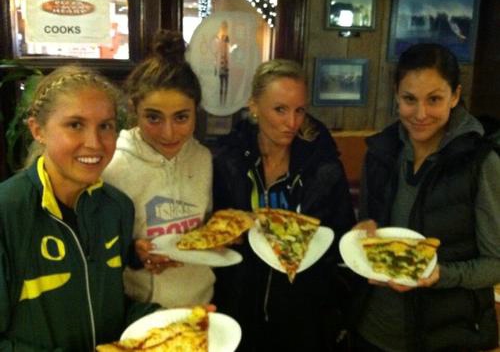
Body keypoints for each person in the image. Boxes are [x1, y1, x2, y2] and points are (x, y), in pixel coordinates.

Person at [351, 43, 500, 351]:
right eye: (409, 99)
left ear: (455, 96)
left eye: (434, 99)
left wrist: (441, 274)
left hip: (446, 336)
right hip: (373, 328)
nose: (420, 114)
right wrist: (363, 229)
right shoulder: (381, 151)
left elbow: (496, 263)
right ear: (396, 94)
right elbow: (370, 221)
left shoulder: (482, 162)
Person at [0, 65, 158, 351]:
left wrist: (167, 322)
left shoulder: (118, 208)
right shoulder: (7, 213)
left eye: (105, 126)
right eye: (75, 125)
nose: (94, 143)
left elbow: (106, 307)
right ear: (38, 130)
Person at [212, 59, 356, 351]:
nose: (292, 123)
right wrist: (226, 234)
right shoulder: (227, 162)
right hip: (239, 309)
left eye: (299, 110)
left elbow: (340, 238)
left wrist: (355, 238)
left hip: (303, 316)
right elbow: (214, 227)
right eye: (280, 110)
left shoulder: (324, 168)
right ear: (254, 106)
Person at [103, 30, 214, 308]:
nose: (168, 133)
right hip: (139, 308)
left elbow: (207, 223)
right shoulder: (113, 165)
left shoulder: (203, 158)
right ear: (134, 109)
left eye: (181, 117)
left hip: (203, 304)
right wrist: (133, 254)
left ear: (195, 112)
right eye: (153, 117)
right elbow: (98, 250)